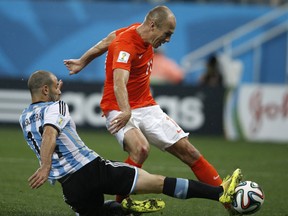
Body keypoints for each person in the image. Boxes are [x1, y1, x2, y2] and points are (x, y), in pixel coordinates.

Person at [19, 70, 242, 216]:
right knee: (161, 183)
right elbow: (50, 132)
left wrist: (48, 167)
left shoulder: (24, 118)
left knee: (99, 213)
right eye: (56, 87)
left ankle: (124, 211)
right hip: (92, 170)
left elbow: (43, 137)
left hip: (70, 187)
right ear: (45, 90)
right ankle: (219, 193)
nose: (60, 89)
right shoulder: (55, 107)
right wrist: (45, 166)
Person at [64, 5, 222, 204]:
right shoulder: (126, 45)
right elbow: (118, 81)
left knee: (190, 152)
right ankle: (119, 204)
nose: (168, 40)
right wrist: (126, 110)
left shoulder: (136, 31)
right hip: (118, 107)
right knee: (140, 149)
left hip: (147, 106)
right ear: (154, 25)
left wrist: (82, 61)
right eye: (167, 34)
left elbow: (108, 39)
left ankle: (227, 197)